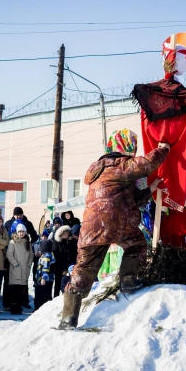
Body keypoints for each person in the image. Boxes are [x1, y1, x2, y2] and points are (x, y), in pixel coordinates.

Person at [60, 129, 169, 330]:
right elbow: (146, 164)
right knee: (136, 244)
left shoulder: (97, 170)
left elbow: (130, 199)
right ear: (126, 146)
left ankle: (68, 317)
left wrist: (151, 188)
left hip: (91, 227)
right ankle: (128, 280)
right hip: (116, 222)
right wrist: (163, 149)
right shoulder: (120, 165)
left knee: (83, 268)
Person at [6, 223, 33, 314]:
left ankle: (19, 307)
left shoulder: (27, 242)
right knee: (15, 290)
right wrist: (15, 264)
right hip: (16, 269)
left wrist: (28, 265)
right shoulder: (13, 242)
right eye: (20, 231)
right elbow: (9, 254)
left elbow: (31, 255)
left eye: (23, 231)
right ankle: (14, 308)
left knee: (22, 290)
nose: (21, 233)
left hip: (25, 269)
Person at [53, 225, 78, 297]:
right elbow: (56, 254)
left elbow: (73, 253)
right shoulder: (56, 242)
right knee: (58, 283)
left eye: (67, 234)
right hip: (59, 266)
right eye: (64, 234)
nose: (66, 235)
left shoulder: (70, 242)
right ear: (60, 234)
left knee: (67, 282)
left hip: (69, 265)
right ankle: (56, 297)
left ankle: (66, 296)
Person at [34, 238, 55, 311]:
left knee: (42, 295)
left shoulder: (46, 256)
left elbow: (45, 268)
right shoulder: (49, 254)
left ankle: (40, 309)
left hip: (45, 279)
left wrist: (43, 278)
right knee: (47, 294)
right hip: (49, 279)